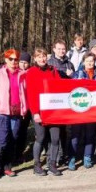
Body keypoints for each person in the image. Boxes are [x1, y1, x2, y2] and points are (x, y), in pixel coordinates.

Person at [0, 49, 27, 179]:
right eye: (11, 59)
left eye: (16, 59)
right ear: (6, 59)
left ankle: (7, 166)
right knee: (2, 140)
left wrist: (24, 108)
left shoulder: (22, 74)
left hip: (16, 112)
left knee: (12, 139)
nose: (13, 62)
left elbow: (25, 92)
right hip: (2, 112)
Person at [25, 47, 64, 176]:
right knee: (41, 137)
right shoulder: (31, 72)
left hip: (53, 110)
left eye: (44, 56)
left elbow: (60, 87)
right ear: (35, 58)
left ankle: (52, 163)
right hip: (39, 110)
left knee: (55, 138)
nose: (42, 59)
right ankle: (37, 165)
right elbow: (31, 94)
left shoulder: (53, 70)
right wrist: (35, 113)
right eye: (39, 56)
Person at [68, 53, 96, 170]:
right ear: (83, 62)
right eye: (88, 61)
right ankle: (72, 158)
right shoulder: (77, 74)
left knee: (90, 134)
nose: (90, 63)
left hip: (92, 109)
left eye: (92, 61)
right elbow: (70, 90)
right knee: (75, 134)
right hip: (78, 108)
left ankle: (87, 157)